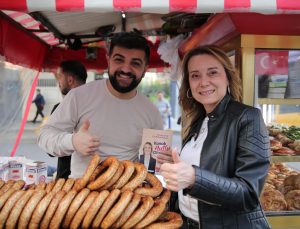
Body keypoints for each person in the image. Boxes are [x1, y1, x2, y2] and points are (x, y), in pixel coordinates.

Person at [160, 45, 271, 229]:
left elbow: (249, 194)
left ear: (227, 77)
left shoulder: (248, 117)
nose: (203, 82)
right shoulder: (198, 120)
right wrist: (176, 167)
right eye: (195, 75)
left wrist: (194, 178)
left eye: (212, 73)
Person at [38, 32, 172, 178]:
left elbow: (152, 164)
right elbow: (44, 137)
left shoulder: (151, 112)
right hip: (82, 194)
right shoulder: (78, 96)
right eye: (119, 60)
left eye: (135, 63)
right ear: (108, 60)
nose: (126, 69)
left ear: (145, 69)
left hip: (129, 196)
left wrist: (164, 162)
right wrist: (72, 141)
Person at [50, 60, 88, 179]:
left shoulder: (60, 109)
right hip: (91, 181)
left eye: (59, 77)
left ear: (70, 80)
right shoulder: (99, 108)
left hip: (65, 181)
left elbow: (50, 150)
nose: (58, 83)